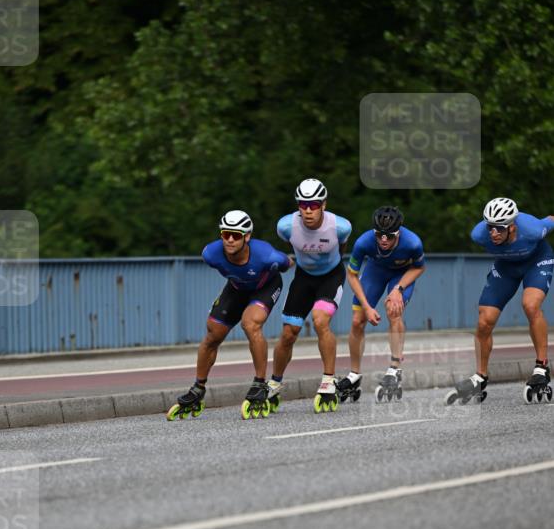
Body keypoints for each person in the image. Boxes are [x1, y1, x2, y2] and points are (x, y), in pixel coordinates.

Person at [167, 210, 293, 421]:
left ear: (247, 237)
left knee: (250, 324)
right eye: (226, 234)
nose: (231, 240)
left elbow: (287, 264)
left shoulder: (266, 255)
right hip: (236, 289)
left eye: (236, 235)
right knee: (212, 334)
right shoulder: (210, 254)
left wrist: (287, 262)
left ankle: (260, 383)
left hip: (265, 287)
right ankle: (198, 388)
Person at [446, 198, 554, 405]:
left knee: (530, 305)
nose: (493, 233)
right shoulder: (479, 234)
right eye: (490, 227)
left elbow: (551, 218)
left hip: (537, 260)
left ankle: (541, 367)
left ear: (512, 227)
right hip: (507, 267)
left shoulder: (532, 229)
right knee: (484, 320)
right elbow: (488, 232)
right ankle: (480, 376)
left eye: (499, 229)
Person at [268, 178, 352, 413]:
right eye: (302, 204)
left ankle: (328, 380)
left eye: (314, 205)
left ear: (323, 204)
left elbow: (342, 248)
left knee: (320, 320)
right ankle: (274, 382)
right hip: (304, 278)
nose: (307, 210)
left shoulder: (341, 226)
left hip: (331, 277)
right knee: (288, 333)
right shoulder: (285, 226)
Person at [337, 206, 425, 403]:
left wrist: (398, 289)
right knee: (357, 321)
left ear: (398, 233)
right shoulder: (363, 242)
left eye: (389, 236)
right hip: (376, 271)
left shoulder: (412, 243)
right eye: (379, 235)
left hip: (402, 275)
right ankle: (354, 375)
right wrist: (367, 307)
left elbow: (419, 268)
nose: (383, 240)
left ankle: (394, 368)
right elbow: (351, 275)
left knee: (394, 311)